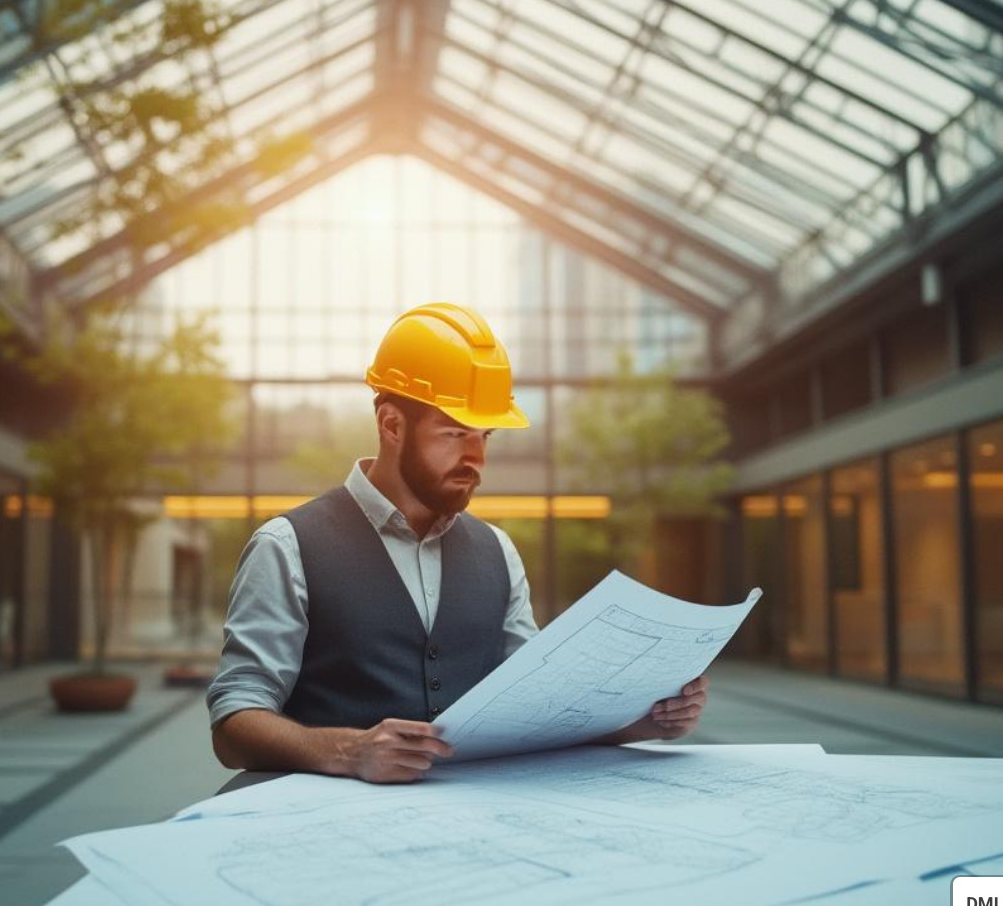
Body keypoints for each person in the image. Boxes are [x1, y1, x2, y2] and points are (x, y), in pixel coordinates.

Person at [206, 303, 710, 783]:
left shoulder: (498, 552)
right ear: (391, 425)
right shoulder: (287, 546)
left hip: (471, 822)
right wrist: (349, 751)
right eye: (454, 434)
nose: (476, 459)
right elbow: (234, 721)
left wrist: (641, 722)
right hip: (326, 826)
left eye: (484, 437)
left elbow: (538, 711)